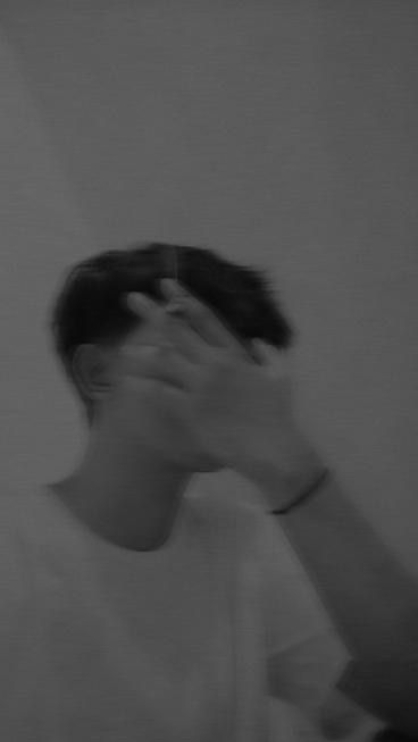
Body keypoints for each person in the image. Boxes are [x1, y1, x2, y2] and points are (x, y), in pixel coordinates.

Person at [0, 241, 412, 740]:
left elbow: (398, 703)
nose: (225, 375)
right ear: (97, 373)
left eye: (244, 358)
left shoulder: (244, 540)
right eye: (192, 341)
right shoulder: (14, 547)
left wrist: (287, 461)